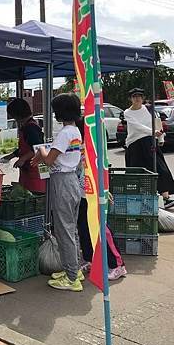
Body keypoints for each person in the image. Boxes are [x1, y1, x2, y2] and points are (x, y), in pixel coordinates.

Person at [32, 93, 83, 292]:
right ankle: (74, 269)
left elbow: (49, 160)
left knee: (64, 230)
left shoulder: (64, 134)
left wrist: (42, 151)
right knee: (71, 229)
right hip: (72, 181)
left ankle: (71, 278)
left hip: (62, 182)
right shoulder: (75, 131)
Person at [75, 119, 127, 281]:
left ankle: (118, 265)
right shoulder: (80, 147)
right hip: (82, 193)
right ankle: (90, 259)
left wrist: (104, 190)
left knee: (101, 230)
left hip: (95, 194)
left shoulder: (96, 148)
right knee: (84, 227)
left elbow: (101, 168)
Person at [124, 87, 174, 209]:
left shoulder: (148, 109)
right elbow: (137, 126)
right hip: (134, 145)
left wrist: (160, 139)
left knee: (160, 168)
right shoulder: (127, 112)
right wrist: (153, 132)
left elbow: (157, 123)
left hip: (149, 142)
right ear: (130, 99)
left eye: (139, 96)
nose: (137, 98)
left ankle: (166, 198)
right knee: (138, 173)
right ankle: (139, 202)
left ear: (143, 98)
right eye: (134, 96)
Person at [0, 98, 46, 193]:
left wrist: (22, 159)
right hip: (30, 171)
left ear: (17, 114)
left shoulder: (30, 128)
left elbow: (38, 148)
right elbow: (26, 147)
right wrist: (11, 156)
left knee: (34, 200)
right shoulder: (28, 126)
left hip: (36, 174)